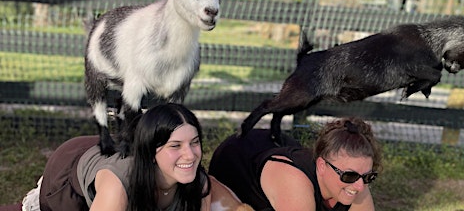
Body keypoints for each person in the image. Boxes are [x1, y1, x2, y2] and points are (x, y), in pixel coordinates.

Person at [24, 103, 212, 211]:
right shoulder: (119, 185)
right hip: (69, 173)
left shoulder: (198, 184)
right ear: (151, 151)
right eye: (175, 145)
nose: (190, 155)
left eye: (194, 142)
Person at [208, 117, 382, 211]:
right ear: (322, 165)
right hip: (240, 156)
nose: (359, 186)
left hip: (279, 146)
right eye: (350, 175)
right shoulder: (295, 185)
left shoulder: (355, 180)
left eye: (368, 176)